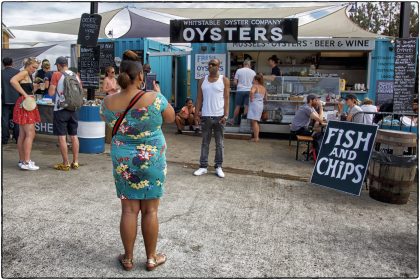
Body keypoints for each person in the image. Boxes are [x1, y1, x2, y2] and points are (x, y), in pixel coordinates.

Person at [100, 50, 175, 271]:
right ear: (141, 76)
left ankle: (128, 258)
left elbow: (107, 121)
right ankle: (151, 258)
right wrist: (159, 95)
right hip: (152, 157)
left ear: (120, 76)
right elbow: (170, 118)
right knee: (151, 210)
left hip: (123, 158)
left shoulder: (108, 102)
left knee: (129, 210)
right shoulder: (155, 98)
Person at [193, 59, 230, 178]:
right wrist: (196, 114)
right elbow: (199, 98)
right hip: (206, 116)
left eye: (213, 64)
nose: (210, 66)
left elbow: (227, 99)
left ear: (219, 66)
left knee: (219, 143)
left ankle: (218, 167)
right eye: (209, 64)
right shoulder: (202, 80)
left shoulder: (224, 80)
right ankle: (203, 167)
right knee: (205, 143)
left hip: (219, 117)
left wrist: (226, 115)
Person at [48, 56, 82, 171]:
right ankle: (76, 162)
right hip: (73, 109)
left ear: (58, 65)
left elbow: (51, 92)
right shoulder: (75, 75)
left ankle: (65, 163)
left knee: (62, 137)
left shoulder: (56, 75)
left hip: (61, 109)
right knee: (74, 136)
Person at [10, 57, 41, 170]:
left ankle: (23, 160)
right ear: (27, 65)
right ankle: (26, 162)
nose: (34, 69)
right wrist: (25, 95)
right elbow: (13, 81)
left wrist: (34, 88)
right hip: (26, 104)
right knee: (30, 133)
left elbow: (26, 89)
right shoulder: (24, 72)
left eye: (36, 68)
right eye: (33, 67)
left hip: (25, 103)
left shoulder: (28, 74)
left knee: (23, 134)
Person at [229, 60, 256, 125]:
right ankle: (244, 122)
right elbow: (254, 83)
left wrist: (237, 85)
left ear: (243, 64)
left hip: (240, 91)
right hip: (249, 91)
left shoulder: (239, 70)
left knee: (237, 106)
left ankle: (233, 120)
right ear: (249, 65)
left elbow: (235, 82)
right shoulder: (253, 72)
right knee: (246, 106)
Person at [2, 57, 20, 144]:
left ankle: (5, 139)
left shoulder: (1, 73)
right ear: (12, 63)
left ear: (3, 64)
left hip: (4, 99)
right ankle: (17, 138)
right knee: (16, 119)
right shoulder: (17, 72)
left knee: (4, 120)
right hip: (16, 99)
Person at [247, 74, 267, 142]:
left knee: (254, 122)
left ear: (256, 80)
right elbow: (266, 98)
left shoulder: (255, 86)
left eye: (253, 79)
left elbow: (251, 92)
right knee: (255, 121)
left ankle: (256, 138)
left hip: (254, 104)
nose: (252, 81)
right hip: (260, 104)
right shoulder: (263, 88)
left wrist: (251, 99)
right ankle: (256, 137)